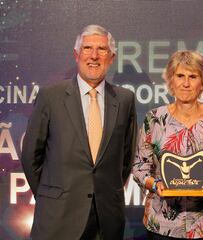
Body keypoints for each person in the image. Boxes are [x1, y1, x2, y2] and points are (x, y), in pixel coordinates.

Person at [21, 24, 137, 240]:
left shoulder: (125, 99)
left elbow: (126, 158)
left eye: (102, 49)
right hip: (58, 218)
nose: (94, 56)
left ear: (111, 57)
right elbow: (30, 156)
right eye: (87, 48)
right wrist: (52, 197)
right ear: (76, 55)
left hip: (106, 220)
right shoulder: (50, 96)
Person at [132, 50, 203, 239]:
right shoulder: (155, 119)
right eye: (180, 76)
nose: (186, 83)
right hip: (163, 225)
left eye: (193, 76)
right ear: (171, 80)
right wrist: (155, 183)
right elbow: (140, 167)